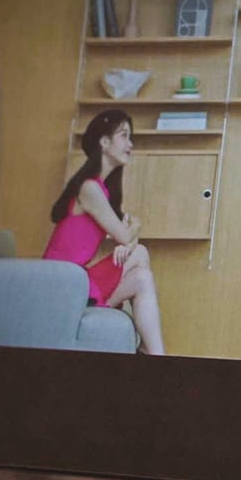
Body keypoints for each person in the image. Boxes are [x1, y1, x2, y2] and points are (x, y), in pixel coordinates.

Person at [44, 109, 166, 355]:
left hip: (78, 280)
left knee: (142, 270)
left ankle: (153, 352)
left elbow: (126, 238)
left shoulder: (101, 190)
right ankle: (153, 352)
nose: (130, 144)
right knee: (140, 262)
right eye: (124, 136)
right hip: (61, 285)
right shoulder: (89, 189)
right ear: (104, 142)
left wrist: (127, 242)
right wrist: (136, 226)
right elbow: (125, 234)